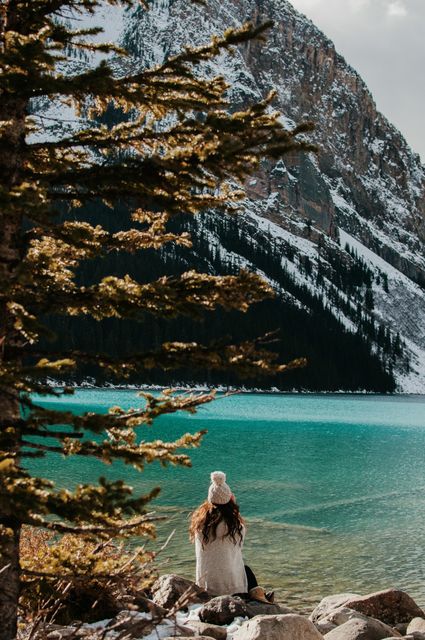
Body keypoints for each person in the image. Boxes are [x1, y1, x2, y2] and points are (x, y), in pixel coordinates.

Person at [189, 470, 273, 602]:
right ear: (229, 499)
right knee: (246, 570)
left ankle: (259, 595)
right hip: (231, 588)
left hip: (206, 586)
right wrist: (233, 504)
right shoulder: (235, 527)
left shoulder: (199, 524)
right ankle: (259, 596)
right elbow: (238, 547)